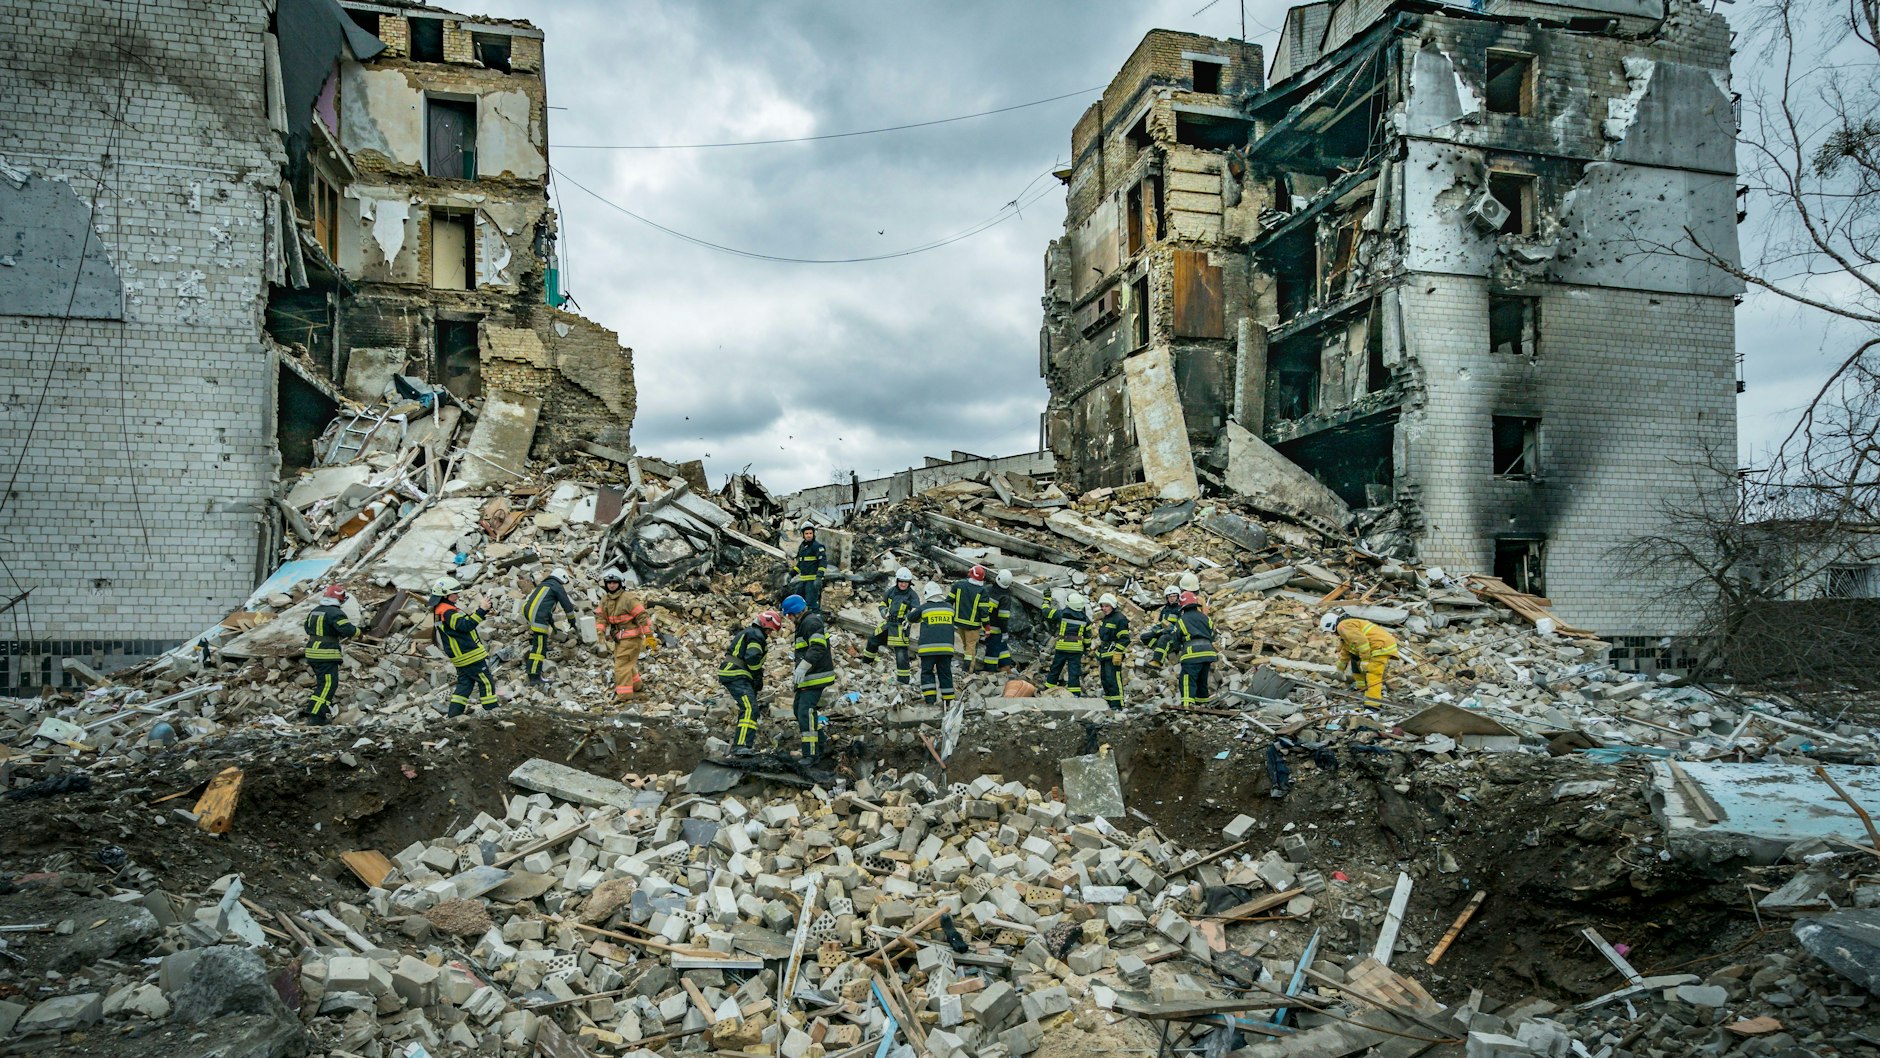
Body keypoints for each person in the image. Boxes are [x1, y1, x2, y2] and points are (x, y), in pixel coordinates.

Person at [432, 576, 497, 716]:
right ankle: (492, 713)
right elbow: (465, 625)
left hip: (461, 656)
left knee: (465, 685)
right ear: (445, 594)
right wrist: (481, 610)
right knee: (486, 682)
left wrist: (483, 611)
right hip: (468, 654)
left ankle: (454, 716)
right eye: (455, 593)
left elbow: (462, 622)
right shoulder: (447, 611)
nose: (458, 595)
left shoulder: (442, 609)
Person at [719, 610, 782, 754]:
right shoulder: (756, 635)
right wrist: (757, 676)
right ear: (765, 626)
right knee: (749, 709)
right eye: (770, 630)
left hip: (736, 673)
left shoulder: (752, 633)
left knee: (749, 708)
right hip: (736, 674)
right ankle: (741, 746)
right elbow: (752, 657)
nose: (769, 633)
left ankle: (744, 745)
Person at [303, 584, 362, 725]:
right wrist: (359, 633)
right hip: (325, 654)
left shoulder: (315, 611)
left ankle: (316, 711)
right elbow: (347, 629)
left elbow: (307, 628)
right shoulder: (336, 613)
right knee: (328, 685)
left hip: (312, 652)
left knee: (322, 684)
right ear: (338, 599)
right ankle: (316, 716)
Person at [784, 594, 834, 759]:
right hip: (810, 676)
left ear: (797, 611)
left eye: (789, 614)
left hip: (815, 676)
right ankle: (821, 743)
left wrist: (802, 667)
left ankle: (811, 754)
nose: (789, 618)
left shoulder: (811, 623)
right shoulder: (805, 623)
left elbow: (818, 647)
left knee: (805, 711)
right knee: (799, 710)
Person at [595, 569, 651, 699]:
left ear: (620, 583)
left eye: (614, 582)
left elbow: (642, 616)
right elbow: (601, 617)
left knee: (621, 666)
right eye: (609, 583)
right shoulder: (605, 599)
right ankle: (637, 685)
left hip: (631, 639)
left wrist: (649, 636)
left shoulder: (628, 598)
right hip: (620, 639)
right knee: (627, 663)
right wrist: (600, 632)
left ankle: (624, 696)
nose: (612, 585)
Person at [1322, 608, 1398, 702]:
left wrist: (1365, 660)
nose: (1333, 634)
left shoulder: (1343, 626)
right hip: (1376, 645)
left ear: (1331, 625)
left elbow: (1362, 643)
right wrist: (1340, 669)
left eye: (1330, 631)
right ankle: (1361, 689)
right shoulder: (1346, 630)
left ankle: (1373, 705)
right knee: (1355, 660)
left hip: (1380, 645)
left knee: (1373, 674)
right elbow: (1347, 651)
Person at [861, 567, 920, 684]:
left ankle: (903, 681)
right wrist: (883, 611)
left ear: (909, 583)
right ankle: (866, 664)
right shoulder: (891, 591)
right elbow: (883, 603)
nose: (903, 584)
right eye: (901, 582)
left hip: (900, 627)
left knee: (901, 653)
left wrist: (909, 618)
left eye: (906, 582)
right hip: (888, 624)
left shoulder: (912, 595)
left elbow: (917, 610)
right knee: (873, 639)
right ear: (897, 581)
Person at [521, 567, 578, 685]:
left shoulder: (544, 585)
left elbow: (545, 609)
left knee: (538, 644)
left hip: (529, 612)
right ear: (562, 578)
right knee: (539, 647)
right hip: (538, 617)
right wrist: (572, 621)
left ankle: (532, 671)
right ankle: (534, 676)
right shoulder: (557, 586)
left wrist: (553, 626)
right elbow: (567, 605)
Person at [912, 583, 957, 706]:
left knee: (927, 673)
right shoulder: (949, 608)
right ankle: (948, 701)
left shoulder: (924, 608)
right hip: (946, 649)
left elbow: (910, 618)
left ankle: (930, 700)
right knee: (945, 673)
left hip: (928, 649)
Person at [1173, 590, 1217, 708]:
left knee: (1187, 678)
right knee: (1202, 680)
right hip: (1208, 652)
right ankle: (1202, 704)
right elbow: (1213, 635)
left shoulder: (1182, 620)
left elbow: (1176, 637)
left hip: (1192, 654)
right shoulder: (1205, 617)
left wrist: (1175, 650)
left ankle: (1187, 704)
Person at [1043, 591, 1091, 693]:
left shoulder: (1062, 614)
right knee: (1074, 672)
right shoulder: (1085, 619)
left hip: (1062, 646)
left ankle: (1048, 688)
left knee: (1056, 668)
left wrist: (1047, 599)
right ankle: (1074, 694)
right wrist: (1087, 648)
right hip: (1076, 649)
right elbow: (1087, 637)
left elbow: (1046, 612)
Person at [950, 565, 994, 673]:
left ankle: (969, 669)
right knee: (970, 649)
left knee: (967, 647)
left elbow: (948, 601)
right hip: (973, 626)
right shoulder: (982, 591)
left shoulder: (958, 585)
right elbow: (984, 612)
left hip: (959, 623)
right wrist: (987, 627)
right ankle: (967, 672)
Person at [1093, 593, 1132, 709]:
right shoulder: (1107, 618)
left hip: (1113, 654)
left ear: (1113, 606)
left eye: (1106, 606)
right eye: (1102, 606)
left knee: (1113, 678)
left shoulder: (1120, 619)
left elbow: (1125, 639)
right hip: (1105, 654)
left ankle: (1118, 703)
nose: (1104, 609)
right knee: (1105, 679)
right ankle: (1110, 702)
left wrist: (1118, 652)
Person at [979, 569, 1015, 671]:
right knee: (993, 652)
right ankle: (989, 672)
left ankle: (1006, 667)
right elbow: (1003, 618)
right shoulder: (1005, 597)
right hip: (995, 629)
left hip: (984, 624)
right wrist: (1004, 632)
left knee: (1002, 648)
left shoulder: (988, 589)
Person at [1142, 585, 1183, 666]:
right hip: (1163, 632)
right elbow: (1161, 623)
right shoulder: (1165, 609)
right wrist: (1156, 629)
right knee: (1144, 637)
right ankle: (1160, 647)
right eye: (1170, 596)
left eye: (1174, 596)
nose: (1172, 598)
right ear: (1167, 597)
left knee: (1163, 638)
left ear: (1178, 597)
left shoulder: (1180, 610)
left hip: (1174, 636)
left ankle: (1157, 661)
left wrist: (1166, 630)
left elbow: (1180, 627)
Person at [790, 526, 828, 611]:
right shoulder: (803, 547)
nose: (809, 535)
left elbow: (822, 562)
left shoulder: (817, 546)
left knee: (811, 604)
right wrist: (791, 574)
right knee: (798, 601)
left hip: (812, 581)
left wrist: (819, 577)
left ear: (814, 534)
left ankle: (815, 621)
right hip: (803, 581)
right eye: (806, 533)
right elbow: (801, 563)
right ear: (803, 535)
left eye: (810, 533)